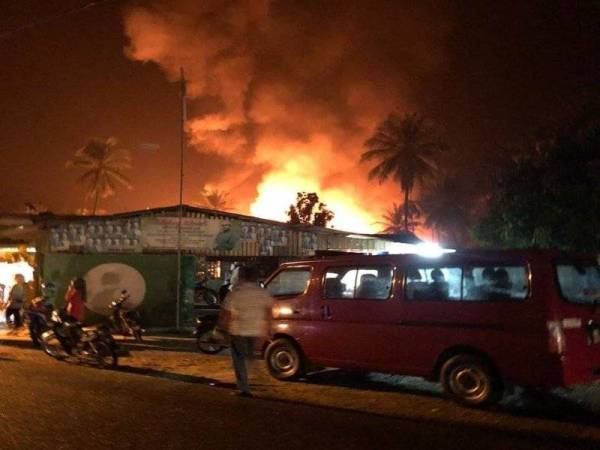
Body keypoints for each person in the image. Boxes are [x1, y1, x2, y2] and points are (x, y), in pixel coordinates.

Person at [218, 265, 273, 397]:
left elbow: (226, 313)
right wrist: (268, 329)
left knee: (239, 360)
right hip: (255, 330)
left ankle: (244, 388)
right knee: (250, 356)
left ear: (241, 277)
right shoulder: (262, 292)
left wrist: (222, 329)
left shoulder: (236, 293)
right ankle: (258, 375)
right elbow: (268, 311)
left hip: (238, 331)